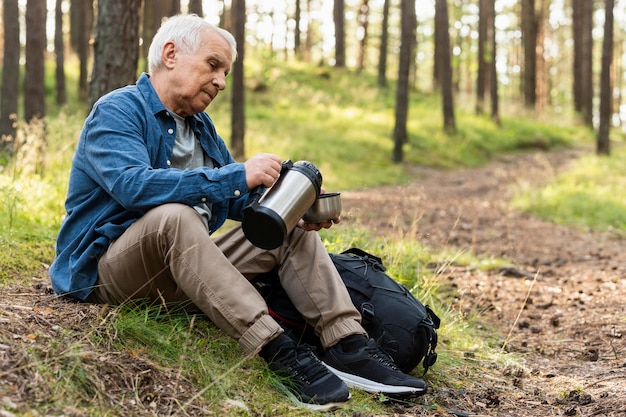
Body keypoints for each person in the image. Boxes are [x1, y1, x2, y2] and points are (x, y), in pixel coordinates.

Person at [49, 14, 427, 410]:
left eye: (226, 72)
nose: (221, 82)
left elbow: (233, 201)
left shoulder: (201, 128)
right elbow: (134, 186)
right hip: (107, 273)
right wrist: (237, 173)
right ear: (171, 54)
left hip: (186, 271)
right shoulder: (118, 110)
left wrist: (294, 210)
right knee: (174, 216)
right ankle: (278, 351)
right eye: (213, 66)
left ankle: (348, 345)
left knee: (286, 230)